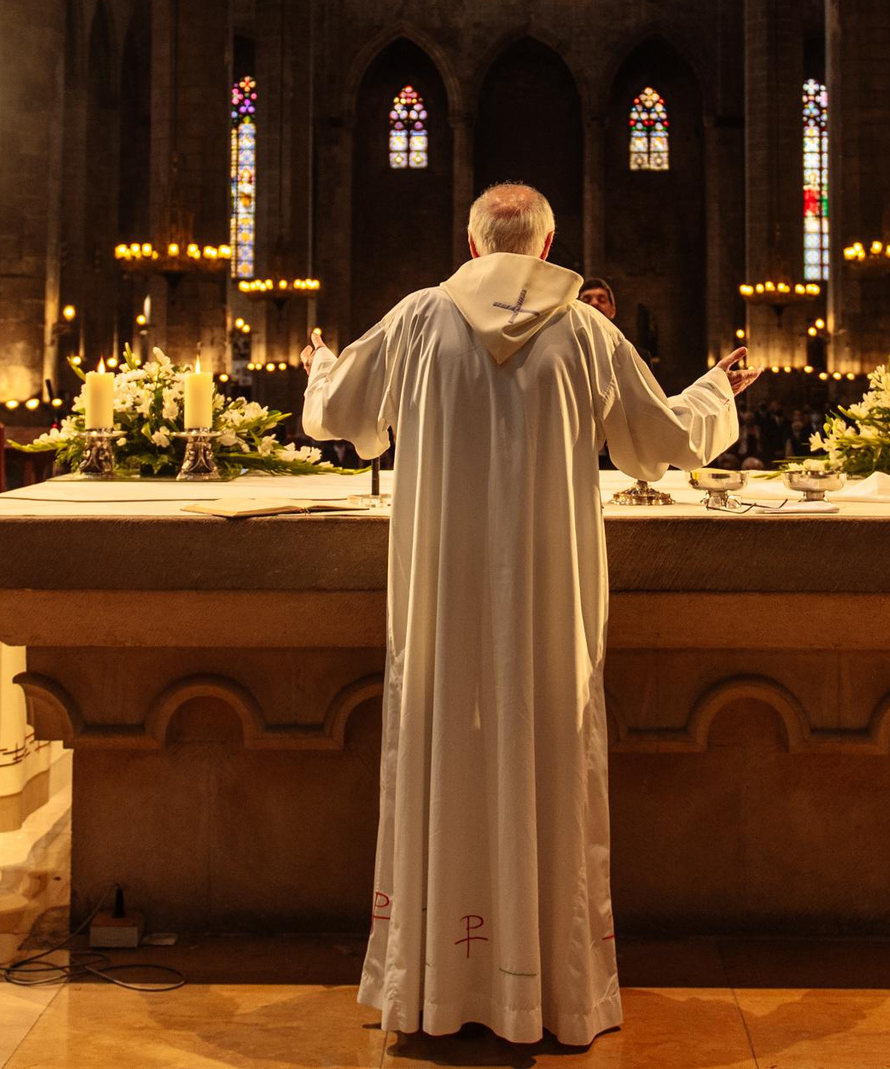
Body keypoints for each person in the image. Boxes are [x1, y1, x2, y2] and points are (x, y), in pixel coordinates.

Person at [302, 182, 756, 1047]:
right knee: (548, 756)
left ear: (473, 247)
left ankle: (434, 987)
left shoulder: (416, 320)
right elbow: (661, 441)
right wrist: (717, 388)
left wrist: (323, 363)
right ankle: (548, 989)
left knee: (443, 756)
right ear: (546, 249)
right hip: (548, 608)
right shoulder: (585, 331)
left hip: (441, 605)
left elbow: (335, 413)